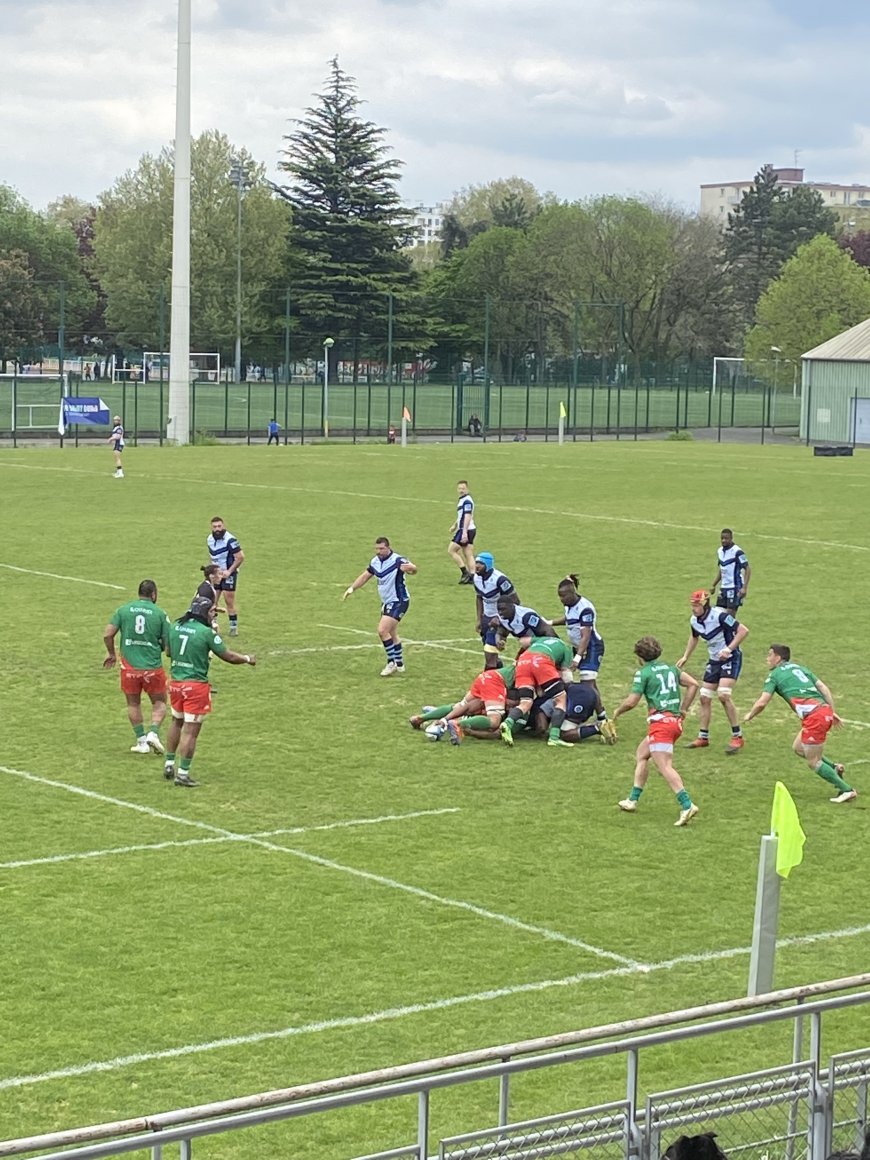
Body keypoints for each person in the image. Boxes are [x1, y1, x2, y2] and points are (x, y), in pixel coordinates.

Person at [743, 644, 858, 803]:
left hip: (814, 717)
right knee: (798, 748)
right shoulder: (800, 668)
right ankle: (834, 768)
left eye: (770, 655)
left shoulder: (774, 675)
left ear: (778, 657)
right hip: (821, 712)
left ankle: (847, 790)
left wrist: (750, 715)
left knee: (813, 762)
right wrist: (831, 710)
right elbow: (823, 688)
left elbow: (762, 702)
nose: (767, 659)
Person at [163, 595, 256, 787]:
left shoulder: (175, 626)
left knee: (176, 721)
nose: (213, 615)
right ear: (203, 612)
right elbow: (228, 656)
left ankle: (169, 763)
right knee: (190, 731)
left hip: (176, 683)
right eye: (212, 612)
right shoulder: (206, 633)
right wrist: (247, 658)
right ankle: (183, 774)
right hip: (195, 686)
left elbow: (169, 652)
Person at [611, 636, 700, 826]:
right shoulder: (671, 669)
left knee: (664, 766)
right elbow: (694, 684)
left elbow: (632, 701)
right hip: (674, 723)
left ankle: (687, 805)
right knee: (642, 754)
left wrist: (617, 712)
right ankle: (632, 800)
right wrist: (684, 708)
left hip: (660, 724)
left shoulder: (643, 673)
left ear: (640, 657)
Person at [102, 579, 171, 755]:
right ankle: (153, 733)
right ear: (153, 594)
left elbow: (108, 634)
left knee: (133, 703)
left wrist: (111, 653)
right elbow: (167, 643)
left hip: (129, 668)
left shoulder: (123, 610)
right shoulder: (160, 614)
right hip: (152, 667)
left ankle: (141, 742)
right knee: (160, 702)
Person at [677, 589, 749, 755]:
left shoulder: (720, 615)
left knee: (723, 695)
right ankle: (703, 736)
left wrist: (729, 649)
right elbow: (694, 637)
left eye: (696, 605)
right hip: (714, 660)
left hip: (731, 658)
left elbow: (743, 630)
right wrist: (686, 656)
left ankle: (737, 736)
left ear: (704, 604)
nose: (693, 608)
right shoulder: (694, 621)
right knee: (704, 697)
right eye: (692, 605)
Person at [343, 536, 418, 676]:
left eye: (381, 549)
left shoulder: (397, 560)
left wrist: (413, 569)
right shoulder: (375, 561)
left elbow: (412, 569)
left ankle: (391, 662)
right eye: (377, 549)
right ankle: (400, 663)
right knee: (392, 633)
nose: (379, 551)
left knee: (382, 631)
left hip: (399, 600)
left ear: (388, 547)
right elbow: (365, 576)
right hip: (386, 601)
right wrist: (352, 588)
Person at [550, 574, 612, 731]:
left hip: (591, 647)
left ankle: (601, 718)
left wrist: (578, 657)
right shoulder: (569, 605)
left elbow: (586, 636)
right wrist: (550, 622)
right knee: (588, 683)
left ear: (573, 593)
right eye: (559, 596)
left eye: (563, 596)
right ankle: (602, 716)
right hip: (578, 647)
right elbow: (569, 618)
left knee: (588, 685)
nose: (561, 599)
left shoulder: (585, 608)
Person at [413, 663, 518, 744]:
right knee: (494, 721)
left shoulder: (524, 660)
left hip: (486, 677)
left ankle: (421, 718)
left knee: (460, 707)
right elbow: (497, 734)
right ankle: (457, 725)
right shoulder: (526, 682)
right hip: (495, 682)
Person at [500, 635, 576, 748]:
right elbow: (566, 675)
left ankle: (507, 723)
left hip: (522, 661)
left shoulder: (542, 639)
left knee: (526, 702)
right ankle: (554, 737)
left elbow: (524, 641)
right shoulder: (567, 649)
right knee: (561, 699)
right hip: (541, 661)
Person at [472, 552, 520, 669]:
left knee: (490, 657)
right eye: (476, 563)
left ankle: (488, 679)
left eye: (480, 564)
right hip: (486, 618)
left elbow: (516, 601)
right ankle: (500, 676)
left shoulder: (500, 580)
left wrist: (501, 619)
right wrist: (479, 619)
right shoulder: (476, 578)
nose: (477, 566)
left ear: (488, 565)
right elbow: (479, 597)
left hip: (498, 620)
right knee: (489, 651)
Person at [535, 681, 614, 744]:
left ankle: (597, 728)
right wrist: (601, 715)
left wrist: (538, 733)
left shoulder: (545, 707)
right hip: (585, 691)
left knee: (564, 734)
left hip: (576, 698)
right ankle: (602, 722)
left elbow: (541, 728)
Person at [207, 516, 245, 636]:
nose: (217, 529)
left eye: (219, 526)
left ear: (223, 526)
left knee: (229, 601)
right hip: (216, 575)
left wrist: (229, 571)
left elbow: (240, 557)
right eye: (215, 527)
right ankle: (213, 626)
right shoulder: (209, 539)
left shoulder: (230, 540)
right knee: (212, 600)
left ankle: (233, 627)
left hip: (228, 574)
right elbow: (212, 557)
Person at [711, 528, 750, 610]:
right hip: (723, 588)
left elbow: (747, 569)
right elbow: (722, 569)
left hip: (735, 588)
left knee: (729, 619)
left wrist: (744, 588)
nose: (723, 540)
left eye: (726, 538)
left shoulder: (737, 552)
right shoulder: (720, 551)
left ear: (731, 538)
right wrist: (713, 585)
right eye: (722, 538)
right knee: (719, 616)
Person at [448, 480, 477, 585]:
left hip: (466, 530)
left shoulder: (467, 501)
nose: (461, 490)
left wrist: (464, 532)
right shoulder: (463, 500)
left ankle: (465, 572)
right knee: (468, 554)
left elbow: (467, 516)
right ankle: (473, 577)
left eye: (463, 488)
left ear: (467, 489)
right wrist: (455, 525)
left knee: (451, 550)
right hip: (469, 529)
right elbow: (462, 515)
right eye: (459, 488)